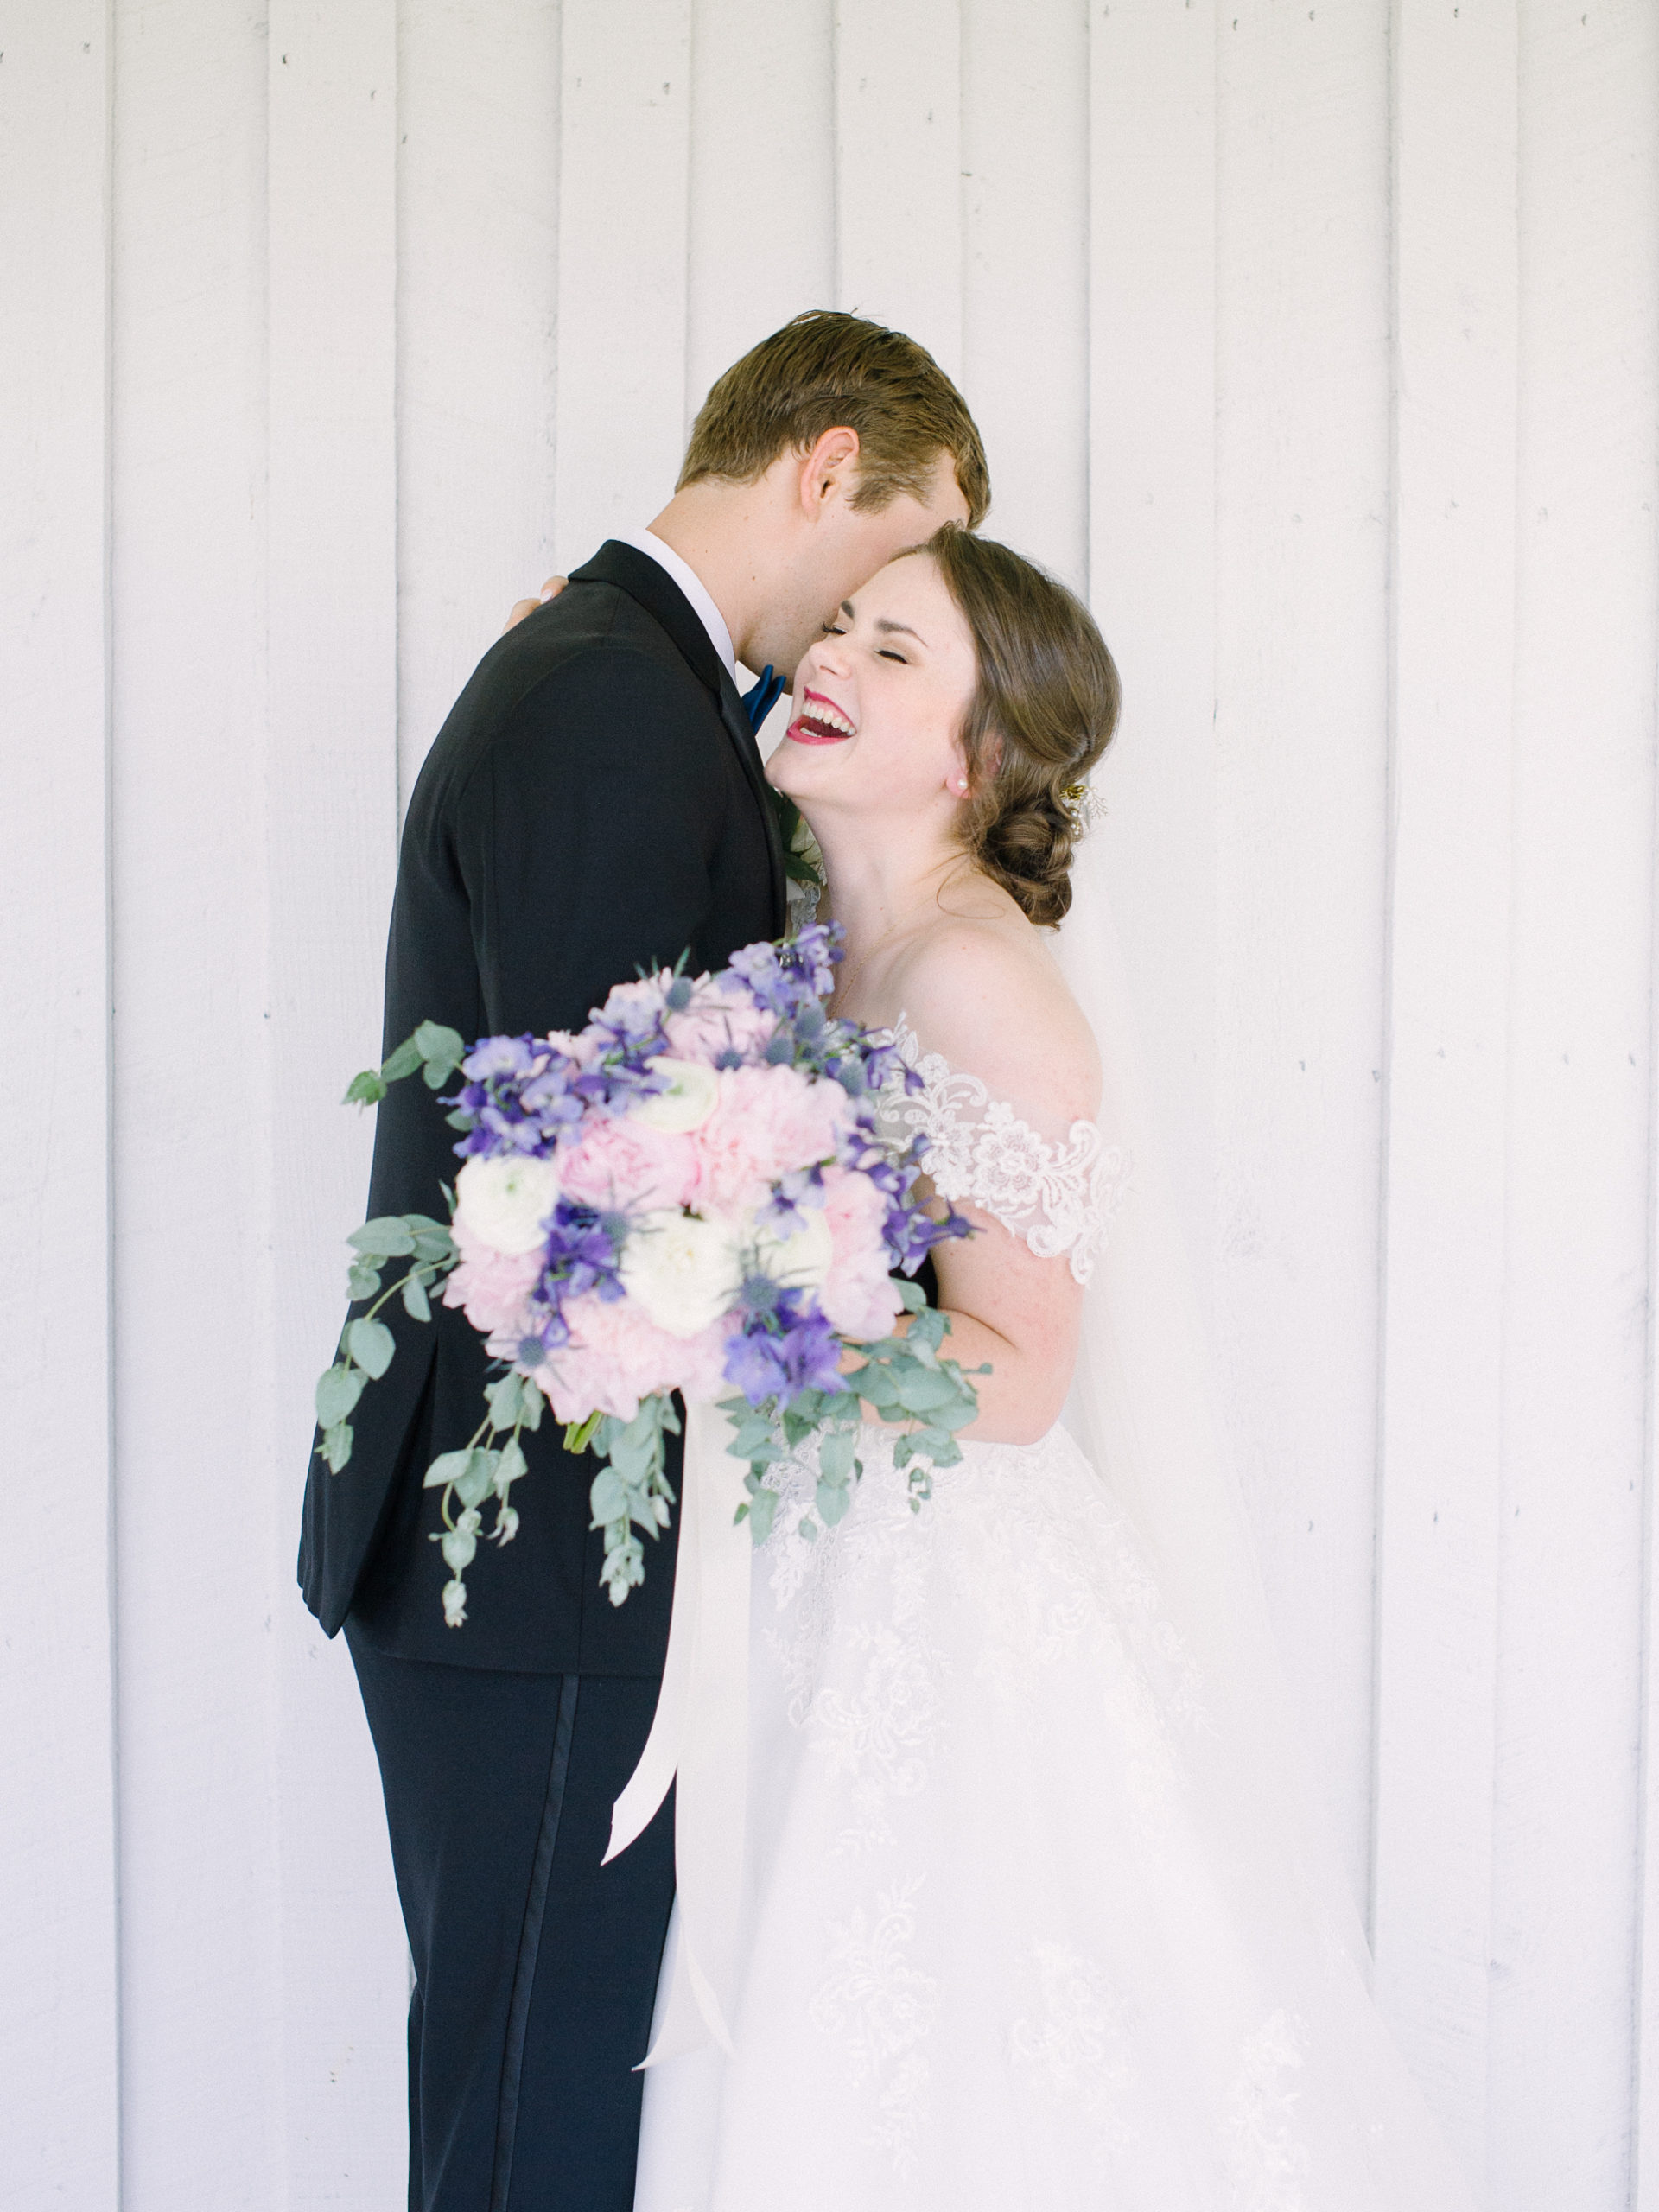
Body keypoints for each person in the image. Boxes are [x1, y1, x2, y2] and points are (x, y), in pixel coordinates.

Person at [628, 526, 1484, 2209]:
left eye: (892, 654)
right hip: (814, 1560)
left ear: (979, 753)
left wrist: (750, 1295)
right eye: (840, 626)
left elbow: (1015, 1371)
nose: (830, 662)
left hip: (935, 1599)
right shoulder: (829, 946)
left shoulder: (980, 982)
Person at [296, 312, 989, 2212]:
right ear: (829, 467)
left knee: (544, 2103)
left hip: (528, 1555)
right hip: (532, 1561)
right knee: (528, 2134)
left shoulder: (630, 678)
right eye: (885, 567)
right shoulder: (612, 694)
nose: (859, 630)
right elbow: (615, 1171)